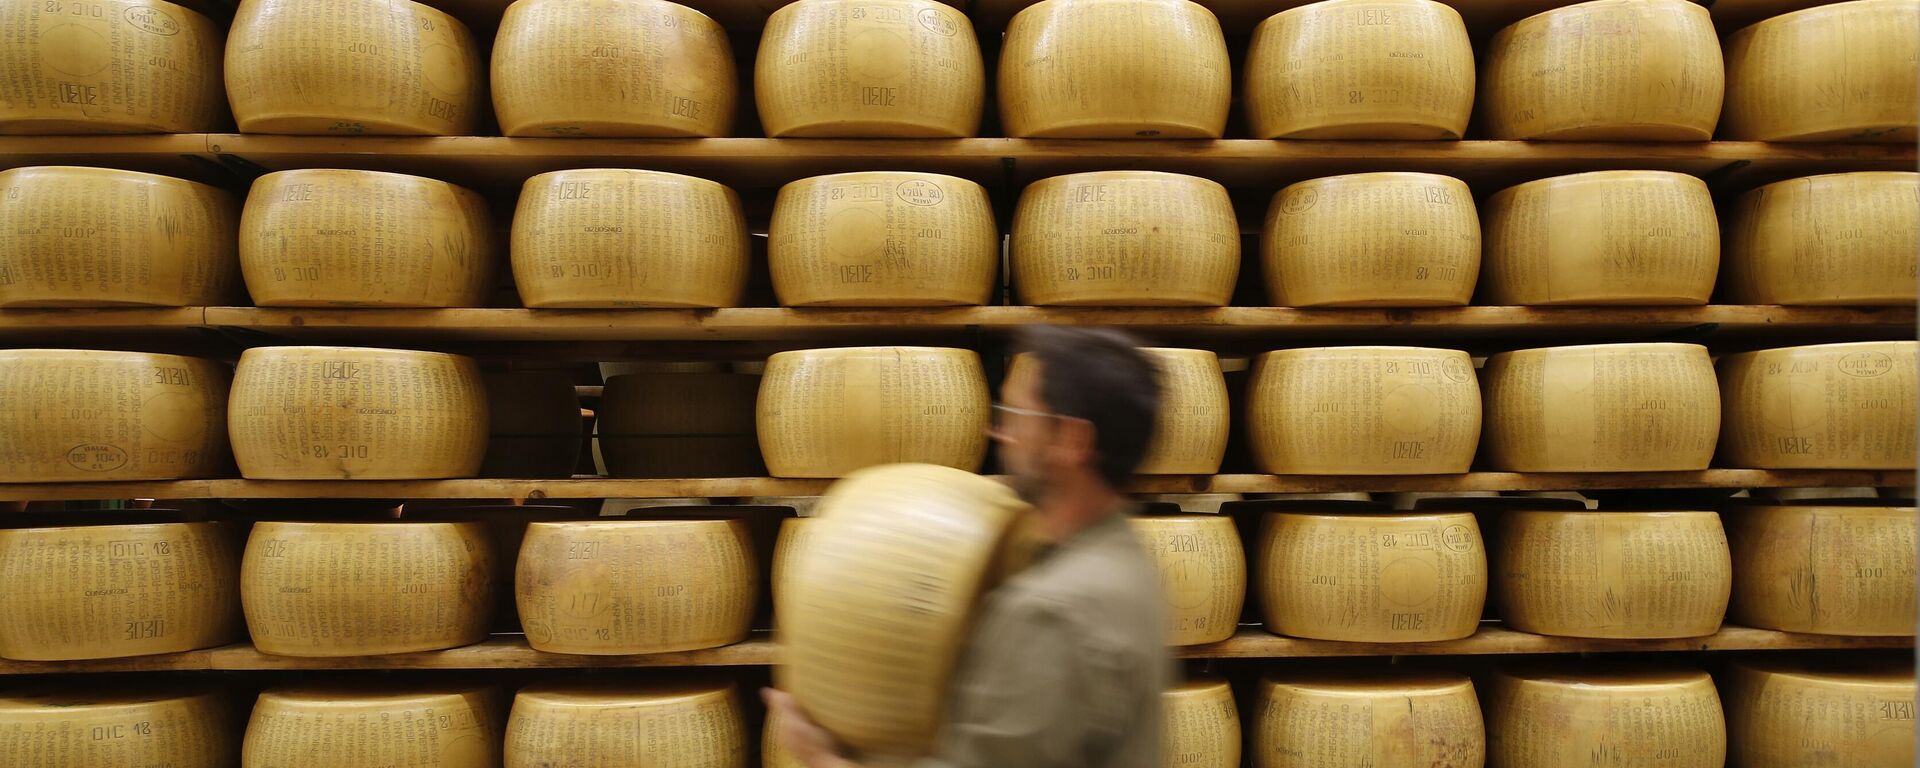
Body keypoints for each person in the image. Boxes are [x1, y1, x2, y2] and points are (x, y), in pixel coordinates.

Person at [764, 325, 1171, 768]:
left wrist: (822, 758)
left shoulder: (1051, 612)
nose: (999, 433)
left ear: (1072, 441)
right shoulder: (1124, 560)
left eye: (1018, 415)